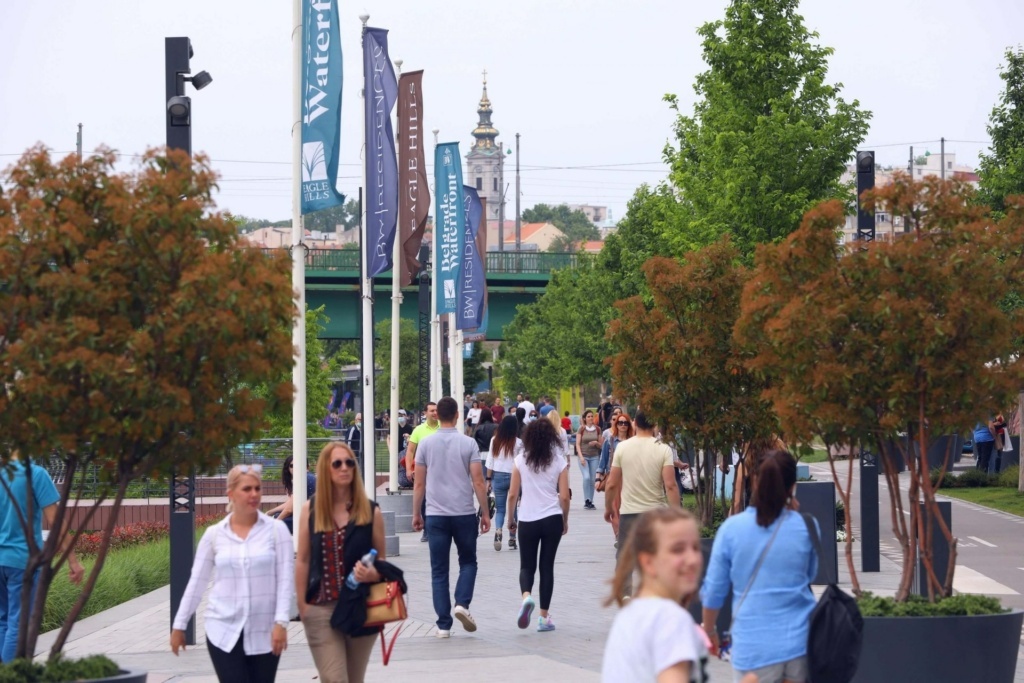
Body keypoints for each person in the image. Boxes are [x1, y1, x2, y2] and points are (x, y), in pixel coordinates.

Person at [701, 449, 818, 683]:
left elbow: (714, 591)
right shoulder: (808, 526)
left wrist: (711, 630)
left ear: (754, 481)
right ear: (793, 486)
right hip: (801, 642)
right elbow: (810, 575)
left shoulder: (731, 530)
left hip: (754, 647)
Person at [171, 465, 293, 683]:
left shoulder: (277, 531)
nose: (254, 494)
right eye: (247, 489)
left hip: (265, 632)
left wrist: (281, 623)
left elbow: (285, 581)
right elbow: (196, 583)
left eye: (257, 488)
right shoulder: (214, 535)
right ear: (231, 494)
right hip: (222, 631)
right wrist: (179, 625)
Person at [295, 442, 386, 683]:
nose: (344, 468)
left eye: (349, 463)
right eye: (337, 463)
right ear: (326, 469)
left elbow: (382, 562)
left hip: (361, 608)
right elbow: (302, 559)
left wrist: (372, 574)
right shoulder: (311, 510)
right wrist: (302, 606)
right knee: (335, 679)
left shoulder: (370, 512)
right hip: (321, 608)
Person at [601, 507, 709, 683]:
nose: (693, 559)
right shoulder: (670, 619)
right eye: (678, 550)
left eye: (696, 547)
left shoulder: (631, 613)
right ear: (648, 562)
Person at [412, 396, 491, 637]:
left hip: (436, 515)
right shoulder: (468, 444)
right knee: (468, 562)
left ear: (438, 415)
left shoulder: (425, 444)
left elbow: (419, 483)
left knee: (439, 570)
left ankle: (443, 625)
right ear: (457, 415)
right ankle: (462, 603)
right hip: (464, 513)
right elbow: (478, 481)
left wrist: (417, 513)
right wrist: (485, 512)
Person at [0, 454, 84, 662]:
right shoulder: (36, 474)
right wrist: (73, 561)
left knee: (2, 622)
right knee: (18, 626)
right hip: (22, 561)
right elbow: (55, 520)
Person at [603, 409, 680, 595]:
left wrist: (608, 508)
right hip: (656, 514)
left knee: (625, 560)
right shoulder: (663, 449)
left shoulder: (623, 448)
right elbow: (670, 485)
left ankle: (627, 597)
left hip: (629, 513)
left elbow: (612, 483)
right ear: (654, 425)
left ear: (635, 424)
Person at [508, 418, 570, 632]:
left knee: (527, 565)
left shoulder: (520, 460)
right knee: (547, 567)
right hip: (552, 517)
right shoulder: (559, 460)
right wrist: (565, 519)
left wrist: (510, 520)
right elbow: (564, 497)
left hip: (527, 518)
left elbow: (513, 494)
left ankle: (526, 597)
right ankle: (543, 618)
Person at [487, 415, 523, 551]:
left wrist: (488, 479)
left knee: (500, 509)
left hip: (498, 475)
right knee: (513, 508)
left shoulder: (494, 440)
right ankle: (512, 538)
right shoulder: (519, 443)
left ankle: (498, 531)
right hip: (515, 476)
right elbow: (522, 463)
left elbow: (490, 461)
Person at [406, 402, 440, 541]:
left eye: (436, 410)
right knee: (425, 500)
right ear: (425, 413)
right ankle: (427, 529)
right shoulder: (418, 430)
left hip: (440, 470)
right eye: (431, 411)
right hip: (423, 470)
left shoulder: (443, 428)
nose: (434, 413)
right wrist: (409, 469)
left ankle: (438, 528)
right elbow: (410, 450)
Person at [266, 455, 317, 534]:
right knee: (276, 516)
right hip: (311, 517)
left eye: (299, 464)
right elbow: (290, 504)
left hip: (310, 520)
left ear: (307, 466)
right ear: (288, 468)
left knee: (273, 524)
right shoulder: (308, 477)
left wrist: (275, 523)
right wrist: (270, 512)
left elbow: (289, 510)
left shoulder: (303, 479)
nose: (295, 468)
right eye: (292, 465)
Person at [576, 409, 604, 510]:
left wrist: (596, 443)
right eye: (588, 416)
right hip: (584, 456)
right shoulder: (581, 429)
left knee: (593, 479)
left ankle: (590, 501)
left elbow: (601, 445)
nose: (591, 418)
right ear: (585, 418)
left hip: (594, 456)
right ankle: (586, 499)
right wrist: (581, 457)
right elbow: (577, 444)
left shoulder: (597, 429)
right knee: (586, 477)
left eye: (592, 416)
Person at [474, 407, 497, 477]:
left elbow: (474, 441)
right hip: (495, 454)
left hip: (482, 454)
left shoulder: (478, 428)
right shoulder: (496, 427)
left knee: (483, 477)